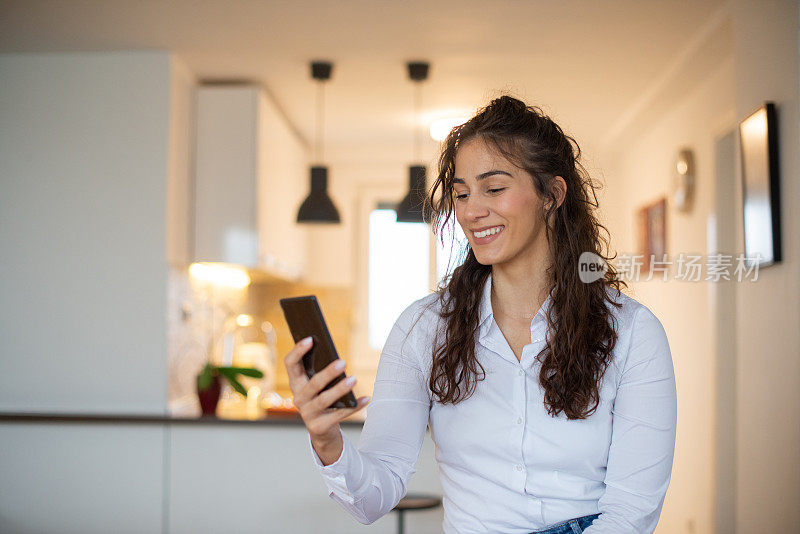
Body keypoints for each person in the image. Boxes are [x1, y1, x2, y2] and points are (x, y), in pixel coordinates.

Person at [283, 95, 677, 534]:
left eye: (494, 188)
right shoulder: (423, 329)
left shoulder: (632, 332)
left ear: (553, 193)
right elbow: (375, 496)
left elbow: (631, 512)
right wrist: (327, 440)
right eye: (462, 193)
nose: (471, 211)